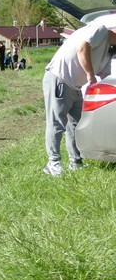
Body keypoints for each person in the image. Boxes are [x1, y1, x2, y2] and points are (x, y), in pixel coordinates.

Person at [41, 20, 116, 175]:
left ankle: (75, 162)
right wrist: (90, 75)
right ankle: (53, 163)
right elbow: (82, 48)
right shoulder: (100, 30)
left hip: (75, 87)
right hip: (60, 78)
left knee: (76, 125)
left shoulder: (108, 50)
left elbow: (105, 76)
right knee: (57, 123)